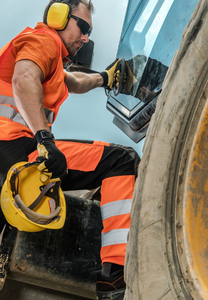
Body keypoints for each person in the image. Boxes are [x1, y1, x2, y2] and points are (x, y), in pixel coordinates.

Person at [0, 0, 140, 298]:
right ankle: (115, 274)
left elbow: (74, 81)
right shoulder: (44, 40)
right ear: (59, 17)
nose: (86, 36)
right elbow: (23, 78)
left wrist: (105, 78)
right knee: (121, 160)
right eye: (83, 26)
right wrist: (45, 140)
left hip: (10, 150)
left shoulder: (51, 58)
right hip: (13, 145)